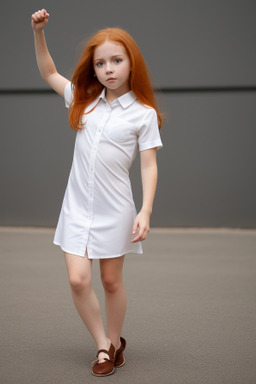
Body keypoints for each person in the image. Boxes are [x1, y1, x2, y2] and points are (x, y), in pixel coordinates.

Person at [31, 8, 163, 377]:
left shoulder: (143, 114)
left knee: (110, 280)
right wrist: (39, 32)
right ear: (94, 69)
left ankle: (115, 342)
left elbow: (149, 164)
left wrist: (146, 210)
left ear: (131, 64)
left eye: (117, 60)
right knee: (77, 279)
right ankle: (102, 345)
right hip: (76, 208)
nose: (109, 69)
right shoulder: (82, 100)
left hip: (117, 209)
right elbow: (48, 72)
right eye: (101, 63)